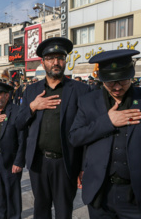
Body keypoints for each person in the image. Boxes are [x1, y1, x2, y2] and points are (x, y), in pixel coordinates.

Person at [69, 49, 141, 218]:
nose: (117, 87)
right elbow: (75, 137)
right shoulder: (89, 101)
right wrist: (107, 122)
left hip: (137, 195)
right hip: (100, 193)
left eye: (123, 80)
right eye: (111, 82)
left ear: (132, 75)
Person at [16, 37, 90, 219]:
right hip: (38, 162)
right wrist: (33, 106)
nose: (56, 62)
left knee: (64, 211)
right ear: (43, 62)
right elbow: (18, 124)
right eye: (50, 58)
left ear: (65, 60)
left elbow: (88, 132)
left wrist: (83, 166)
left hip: (66, 163)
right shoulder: (32, 91)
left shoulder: (81, 90)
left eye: (60, 57)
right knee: (40, 210)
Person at [0, 81, 27, 219]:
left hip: (11, 159)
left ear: (7, 96)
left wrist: (19, 162)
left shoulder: (17, 111)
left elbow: (23, 139)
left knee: (12, 193)